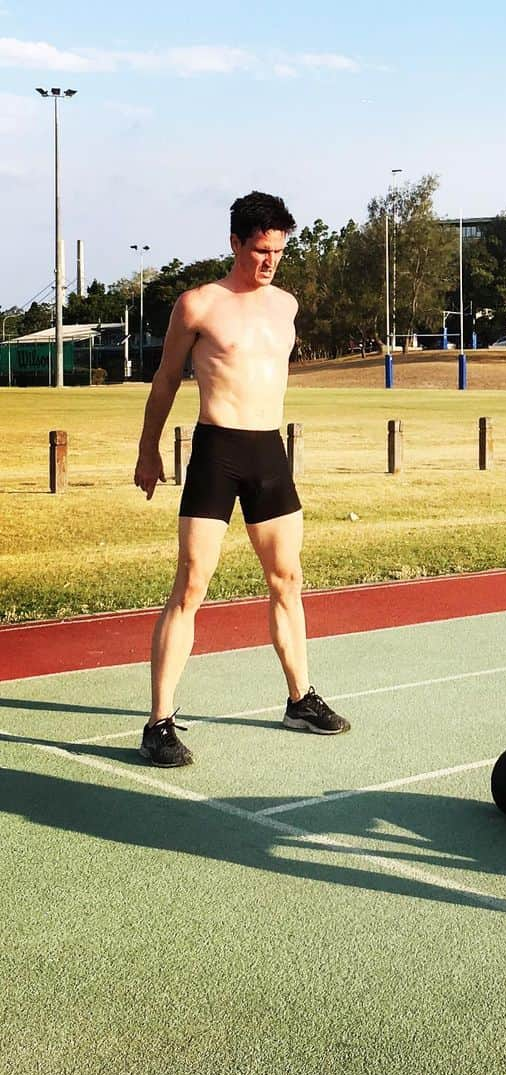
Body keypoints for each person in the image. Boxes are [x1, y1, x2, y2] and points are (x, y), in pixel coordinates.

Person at [133, 191, 350, 768]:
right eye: (259, 250)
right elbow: (163, 381)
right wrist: (148, 449)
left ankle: (300, 699)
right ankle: (159, 722)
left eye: (278, 250)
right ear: (234, 242)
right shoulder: (198, 304)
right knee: (192, 585)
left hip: (267, 452)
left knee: (287, 579)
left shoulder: (286, 305)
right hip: (216, 450)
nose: (269, 261)